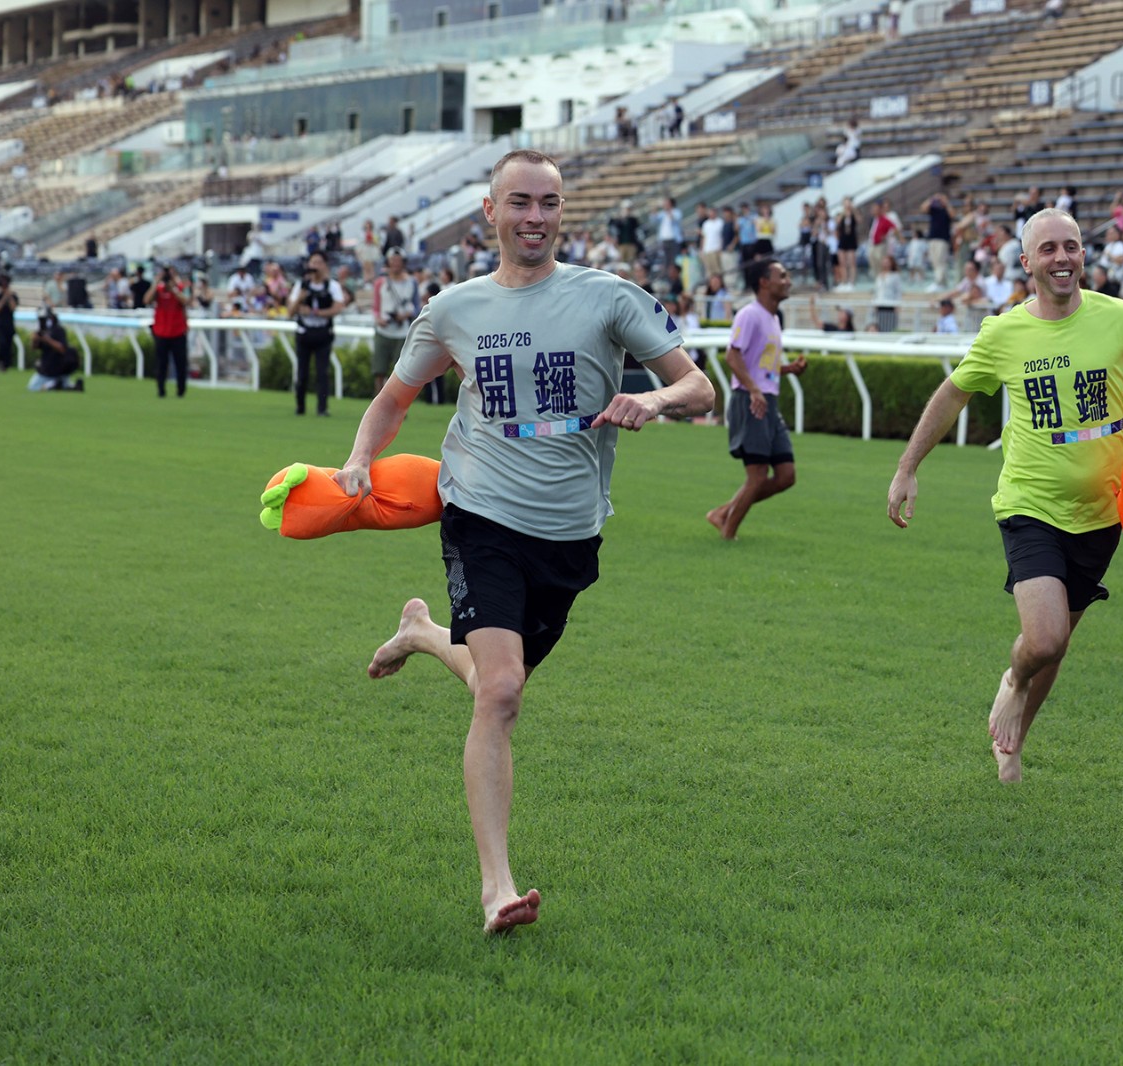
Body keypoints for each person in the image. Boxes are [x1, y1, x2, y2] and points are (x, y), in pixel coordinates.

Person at [331, 149, 713, 934]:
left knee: (493, 683)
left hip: (570, 531)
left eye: (549, 203)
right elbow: (394, 399)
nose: (535, 217)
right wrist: (360, 457)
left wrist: (654, 400)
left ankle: (422, 633)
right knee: (502, 691)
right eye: (520, 202)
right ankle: (497, 888)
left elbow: (699, 385)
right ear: (490, 211)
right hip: (478, 513)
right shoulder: (453, 309)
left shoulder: (608, 298)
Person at [887, 209, 1123, 784]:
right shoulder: (1003, 333)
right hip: (1029, 506)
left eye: (1072, 246)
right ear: (1026, 262)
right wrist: (908, 467)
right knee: (1046, 637)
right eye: (1049, 248)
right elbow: (953, 394)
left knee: (1056, 645)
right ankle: (1012, 681)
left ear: (1083, 255)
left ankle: (1015, 742)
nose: (1063, 258)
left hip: (1104, 513)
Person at [707, 258, 807, 540]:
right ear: (764, 282)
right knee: (758, 474)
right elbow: (732, 356)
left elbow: (759, 366)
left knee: (786, 475)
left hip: (767, 401)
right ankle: (728, 534)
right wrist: (753, 390)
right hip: (751, 401)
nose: (788, 281)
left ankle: (722, 513)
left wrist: (788, 369)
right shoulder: (749, 315)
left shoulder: (773, 318)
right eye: (782, 276)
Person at [286, 251, 347, 416]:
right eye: (313, 263)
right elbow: (290, 311)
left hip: (323, 333)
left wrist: (316, 312)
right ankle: (300, 406)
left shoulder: (332, 286)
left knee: (322, 372)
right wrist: (300, 298)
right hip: (304, 332)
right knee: (302, 373)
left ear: (325, 266)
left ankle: (322, 408)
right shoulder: (301, 286)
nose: (315, 267)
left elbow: (338, 307)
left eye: (319, 263)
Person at [371, 251, 420, 396]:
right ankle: (378, 400)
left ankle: (398, 401)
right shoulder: (381, 282)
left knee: (400, 371)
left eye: (398, 261)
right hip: (384, 329)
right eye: (392, 260)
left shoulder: (411, 282)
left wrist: (406, 315)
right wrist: (378, 319)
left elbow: (417, 307)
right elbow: (375, 307)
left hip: (402, 331)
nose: (395, 264)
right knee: (379, 370)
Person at [150, 265, 192, 398]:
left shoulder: (180, 288)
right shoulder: (158, 289)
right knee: (161, 364)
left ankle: (181, 390)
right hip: (161, 331)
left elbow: (186, 301)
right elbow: (146, 299)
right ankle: (161, 390)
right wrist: (156, 282)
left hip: (178, 331)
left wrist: (174, 288)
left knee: (181, 363)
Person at [29, 299, 84, 392]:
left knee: (33, 387)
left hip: (57, 366)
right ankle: (58, 384)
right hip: (47, 366)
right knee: (33, 387)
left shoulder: (58, 330)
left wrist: (47, 340)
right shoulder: (42, 331)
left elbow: (62, 348)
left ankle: (54, 384)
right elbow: (33, 348)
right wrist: (35, 339)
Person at [0, 273, 18, 372]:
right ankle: (1, 362)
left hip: (9, 323)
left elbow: (13, 308)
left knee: (9, 343)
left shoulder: (13, 296)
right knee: (2, 342)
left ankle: (7, 364)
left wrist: (9, 297)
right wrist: (4, 298)